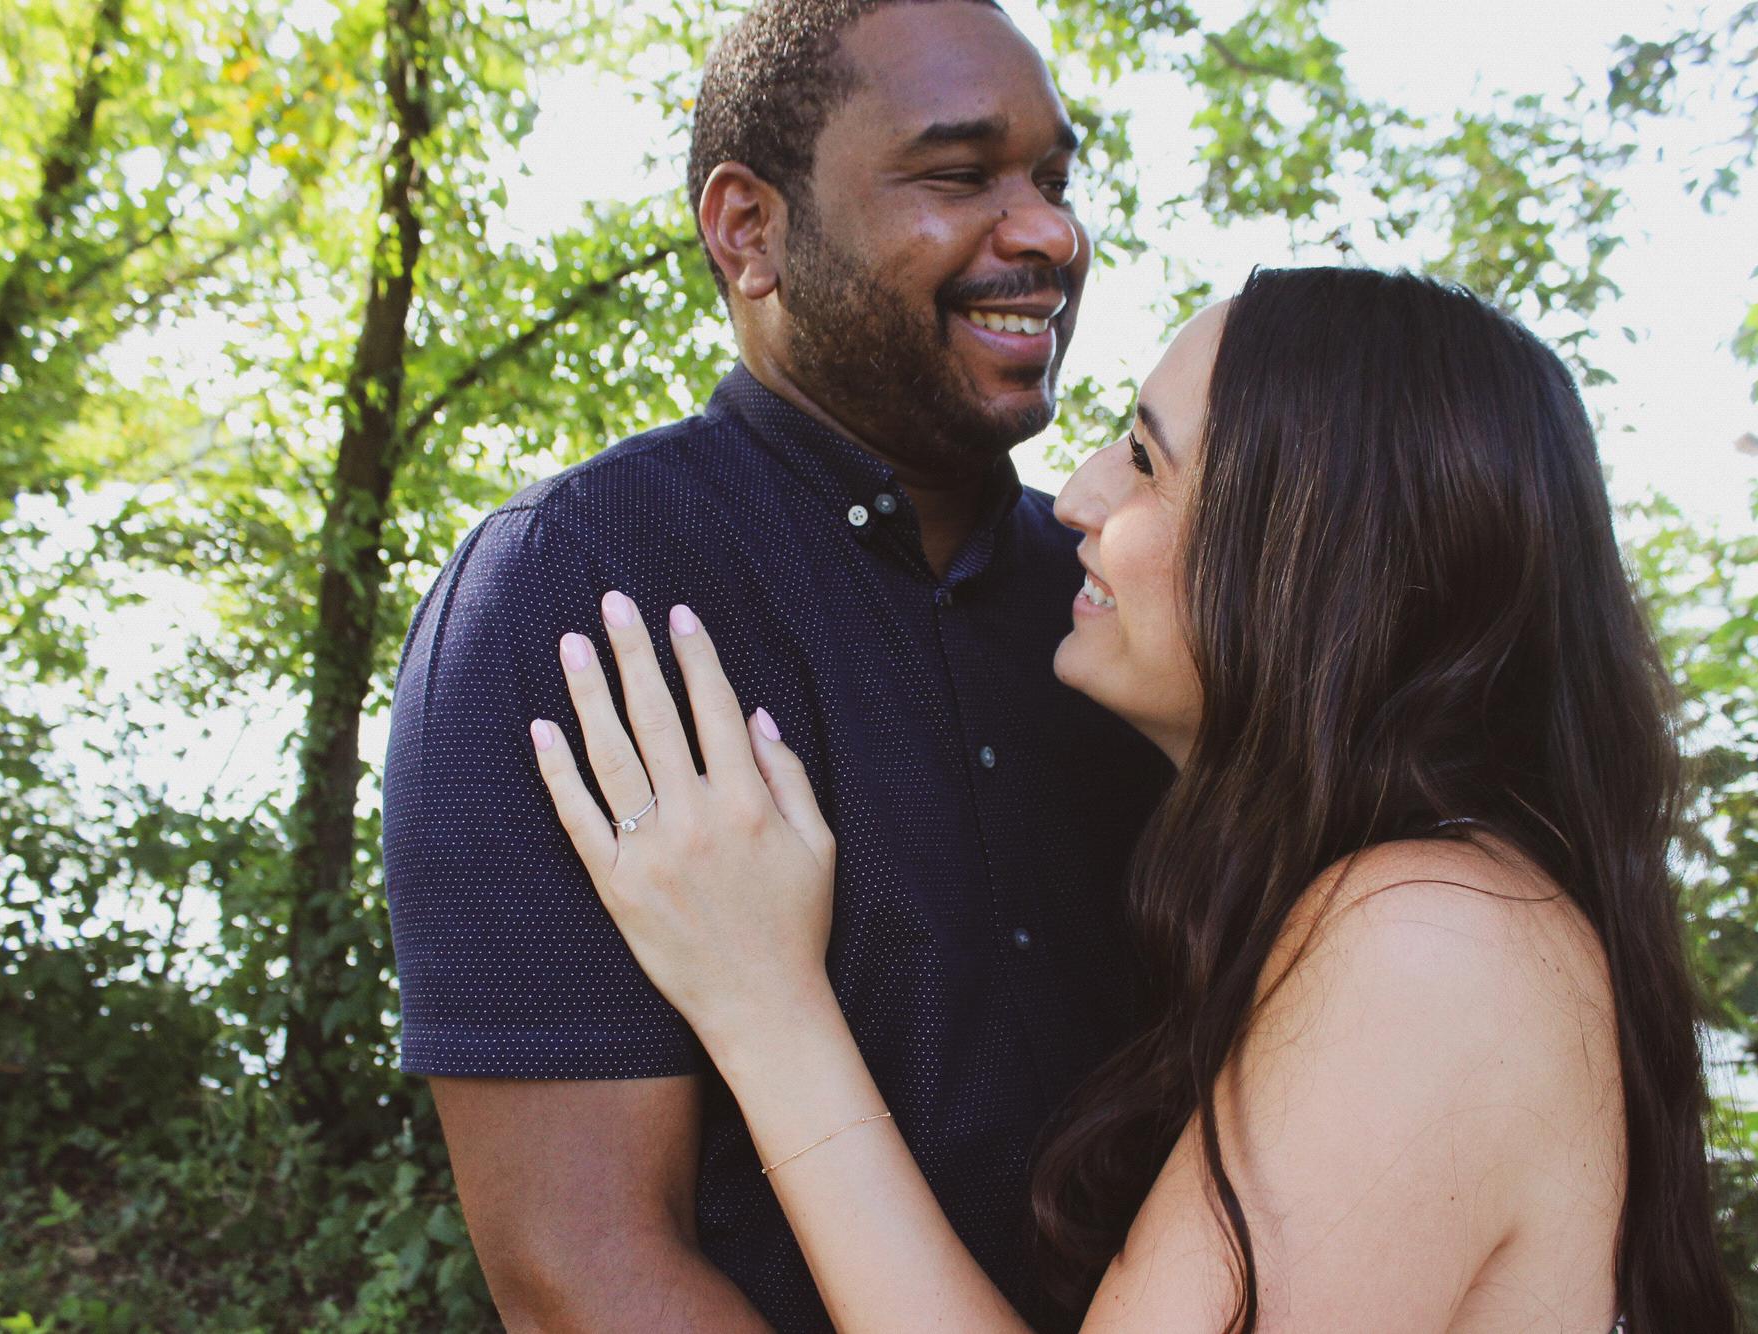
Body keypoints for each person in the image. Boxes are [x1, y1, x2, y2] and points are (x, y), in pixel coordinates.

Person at [527, 267, 1742, 1332]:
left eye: (1148, 462)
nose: (1074, 495)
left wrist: (765, 1005)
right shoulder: (1430, 910)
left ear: (1317, 565)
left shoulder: (1432, 939)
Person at [380, 1, 1169, 1328]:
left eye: (1053, 179)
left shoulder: (1132, 620)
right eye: (959, 175)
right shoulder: (569, 592)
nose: (1047, 233)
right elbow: (582, 1269)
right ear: (748, 228)